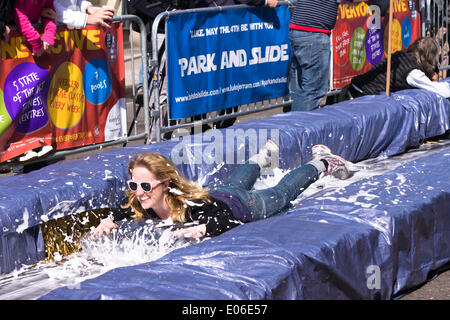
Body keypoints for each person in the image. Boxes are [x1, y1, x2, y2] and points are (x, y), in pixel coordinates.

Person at [91, 141, 351, 238]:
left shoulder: (191, 209)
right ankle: (264, 157)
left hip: (243, 205)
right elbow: (124, 210)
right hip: (218, 193)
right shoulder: (143, 203)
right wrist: (109, 219)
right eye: (133, 185)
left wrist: (204, 229)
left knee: (282, 193)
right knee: (233, 183)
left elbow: (231, 221)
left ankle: (323, 162)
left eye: (145, 185)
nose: (139, 192)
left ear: (165, 184)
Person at [339, 37, 450, 100]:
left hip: (352, 88)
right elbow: (438, 91)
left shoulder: (399, 55)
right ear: (428, 57)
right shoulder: (413, 72)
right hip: (359, 97)